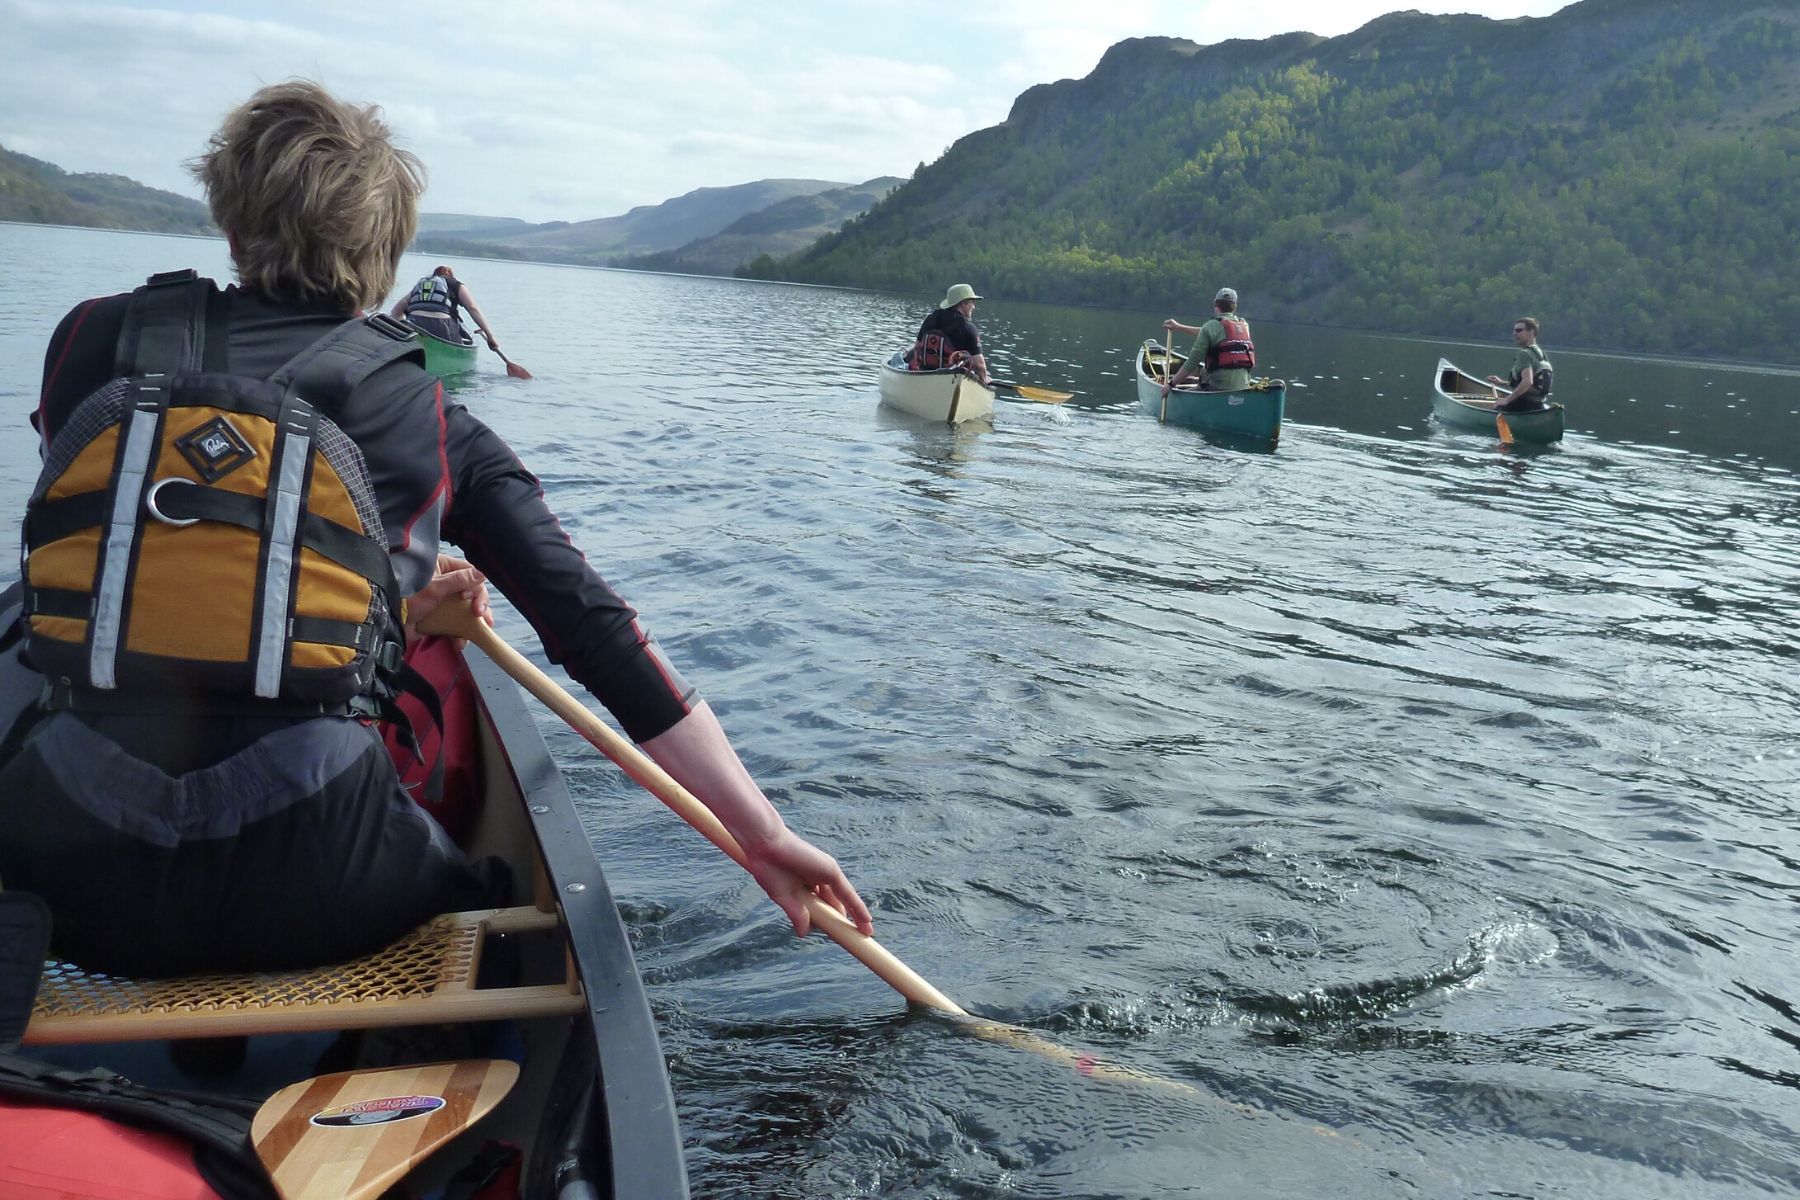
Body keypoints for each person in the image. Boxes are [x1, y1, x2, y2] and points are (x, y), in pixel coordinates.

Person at [0, 80, 871, 978]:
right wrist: (761, 833)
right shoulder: (422, 408)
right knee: (443, 778)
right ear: (388, 249)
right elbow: (592, 625)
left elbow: (142, 550)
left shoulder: (90, 343)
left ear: (230, 224)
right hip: (324, 889)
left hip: (62, 879)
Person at [1162, 287, 1257, 395]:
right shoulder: (1244, 326)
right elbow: (1209, 333)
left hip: (1216, 388)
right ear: (1235, 307)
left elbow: (1192, 363)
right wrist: (1180, 327)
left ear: (1215, 305)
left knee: (1192, 386)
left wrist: (1170, 385)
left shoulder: (1210, 327)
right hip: (1243, 387)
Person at [392, 264, 501, 352]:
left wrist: (404, 329)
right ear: (451, 276)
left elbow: (396, 311)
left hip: (414, 324)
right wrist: (490, 337)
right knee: (461, 340)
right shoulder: (455, 284)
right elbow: (473, 308)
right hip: (442, 325)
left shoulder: (421, 286)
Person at [908, 283, 990, 384]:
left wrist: (921, 369)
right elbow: (979, 365)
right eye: (972, 302)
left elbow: (917, 348)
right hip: (952, 380)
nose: (974, 307)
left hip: (926, 376)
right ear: (964, 303)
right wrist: (984, 382)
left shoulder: (930, 319)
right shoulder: (968, 328)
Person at [1486, 317, 1554, 410]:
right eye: (1514, 330)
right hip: (1538, 404)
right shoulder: (1540, 353)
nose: (1514, 333)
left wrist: (1506, 400)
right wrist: (1502, 383)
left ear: (1531, 332)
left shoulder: (1524, 354)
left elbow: (1528, 382)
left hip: (1523, 404)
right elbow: (1531, 383)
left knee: (1497, 407)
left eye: (1519, 330)